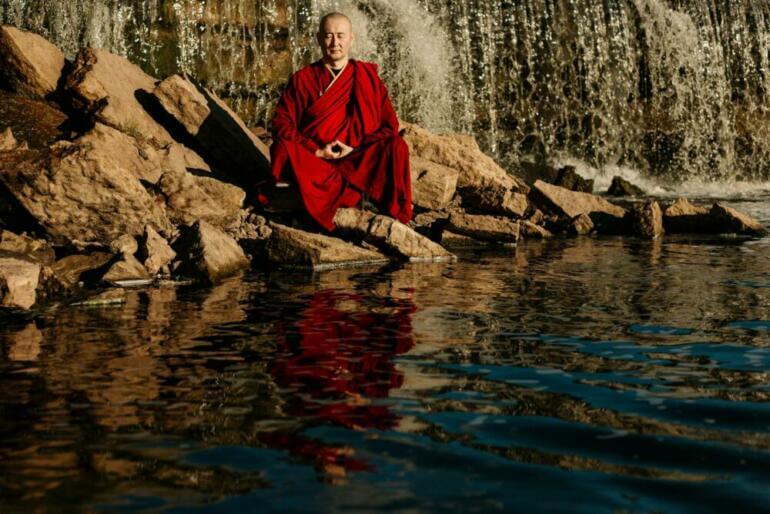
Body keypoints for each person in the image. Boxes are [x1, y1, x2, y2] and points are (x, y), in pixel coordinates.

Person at [269, 12, 412, 231]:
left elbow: (389, 125)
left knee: (396, 145)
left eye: (340, 36)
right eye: (328, 36)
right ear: (318, 38)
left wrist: (355, 150)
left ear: (351, 38)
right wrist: (316, 151)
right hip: (317, 159)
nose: (335, 42)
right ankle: (363, 194)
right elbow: (281, 123)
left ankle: (367, 198)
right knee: (283, 148)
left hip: (357, 157)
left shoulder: (367, 76)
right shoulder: (303, 78)